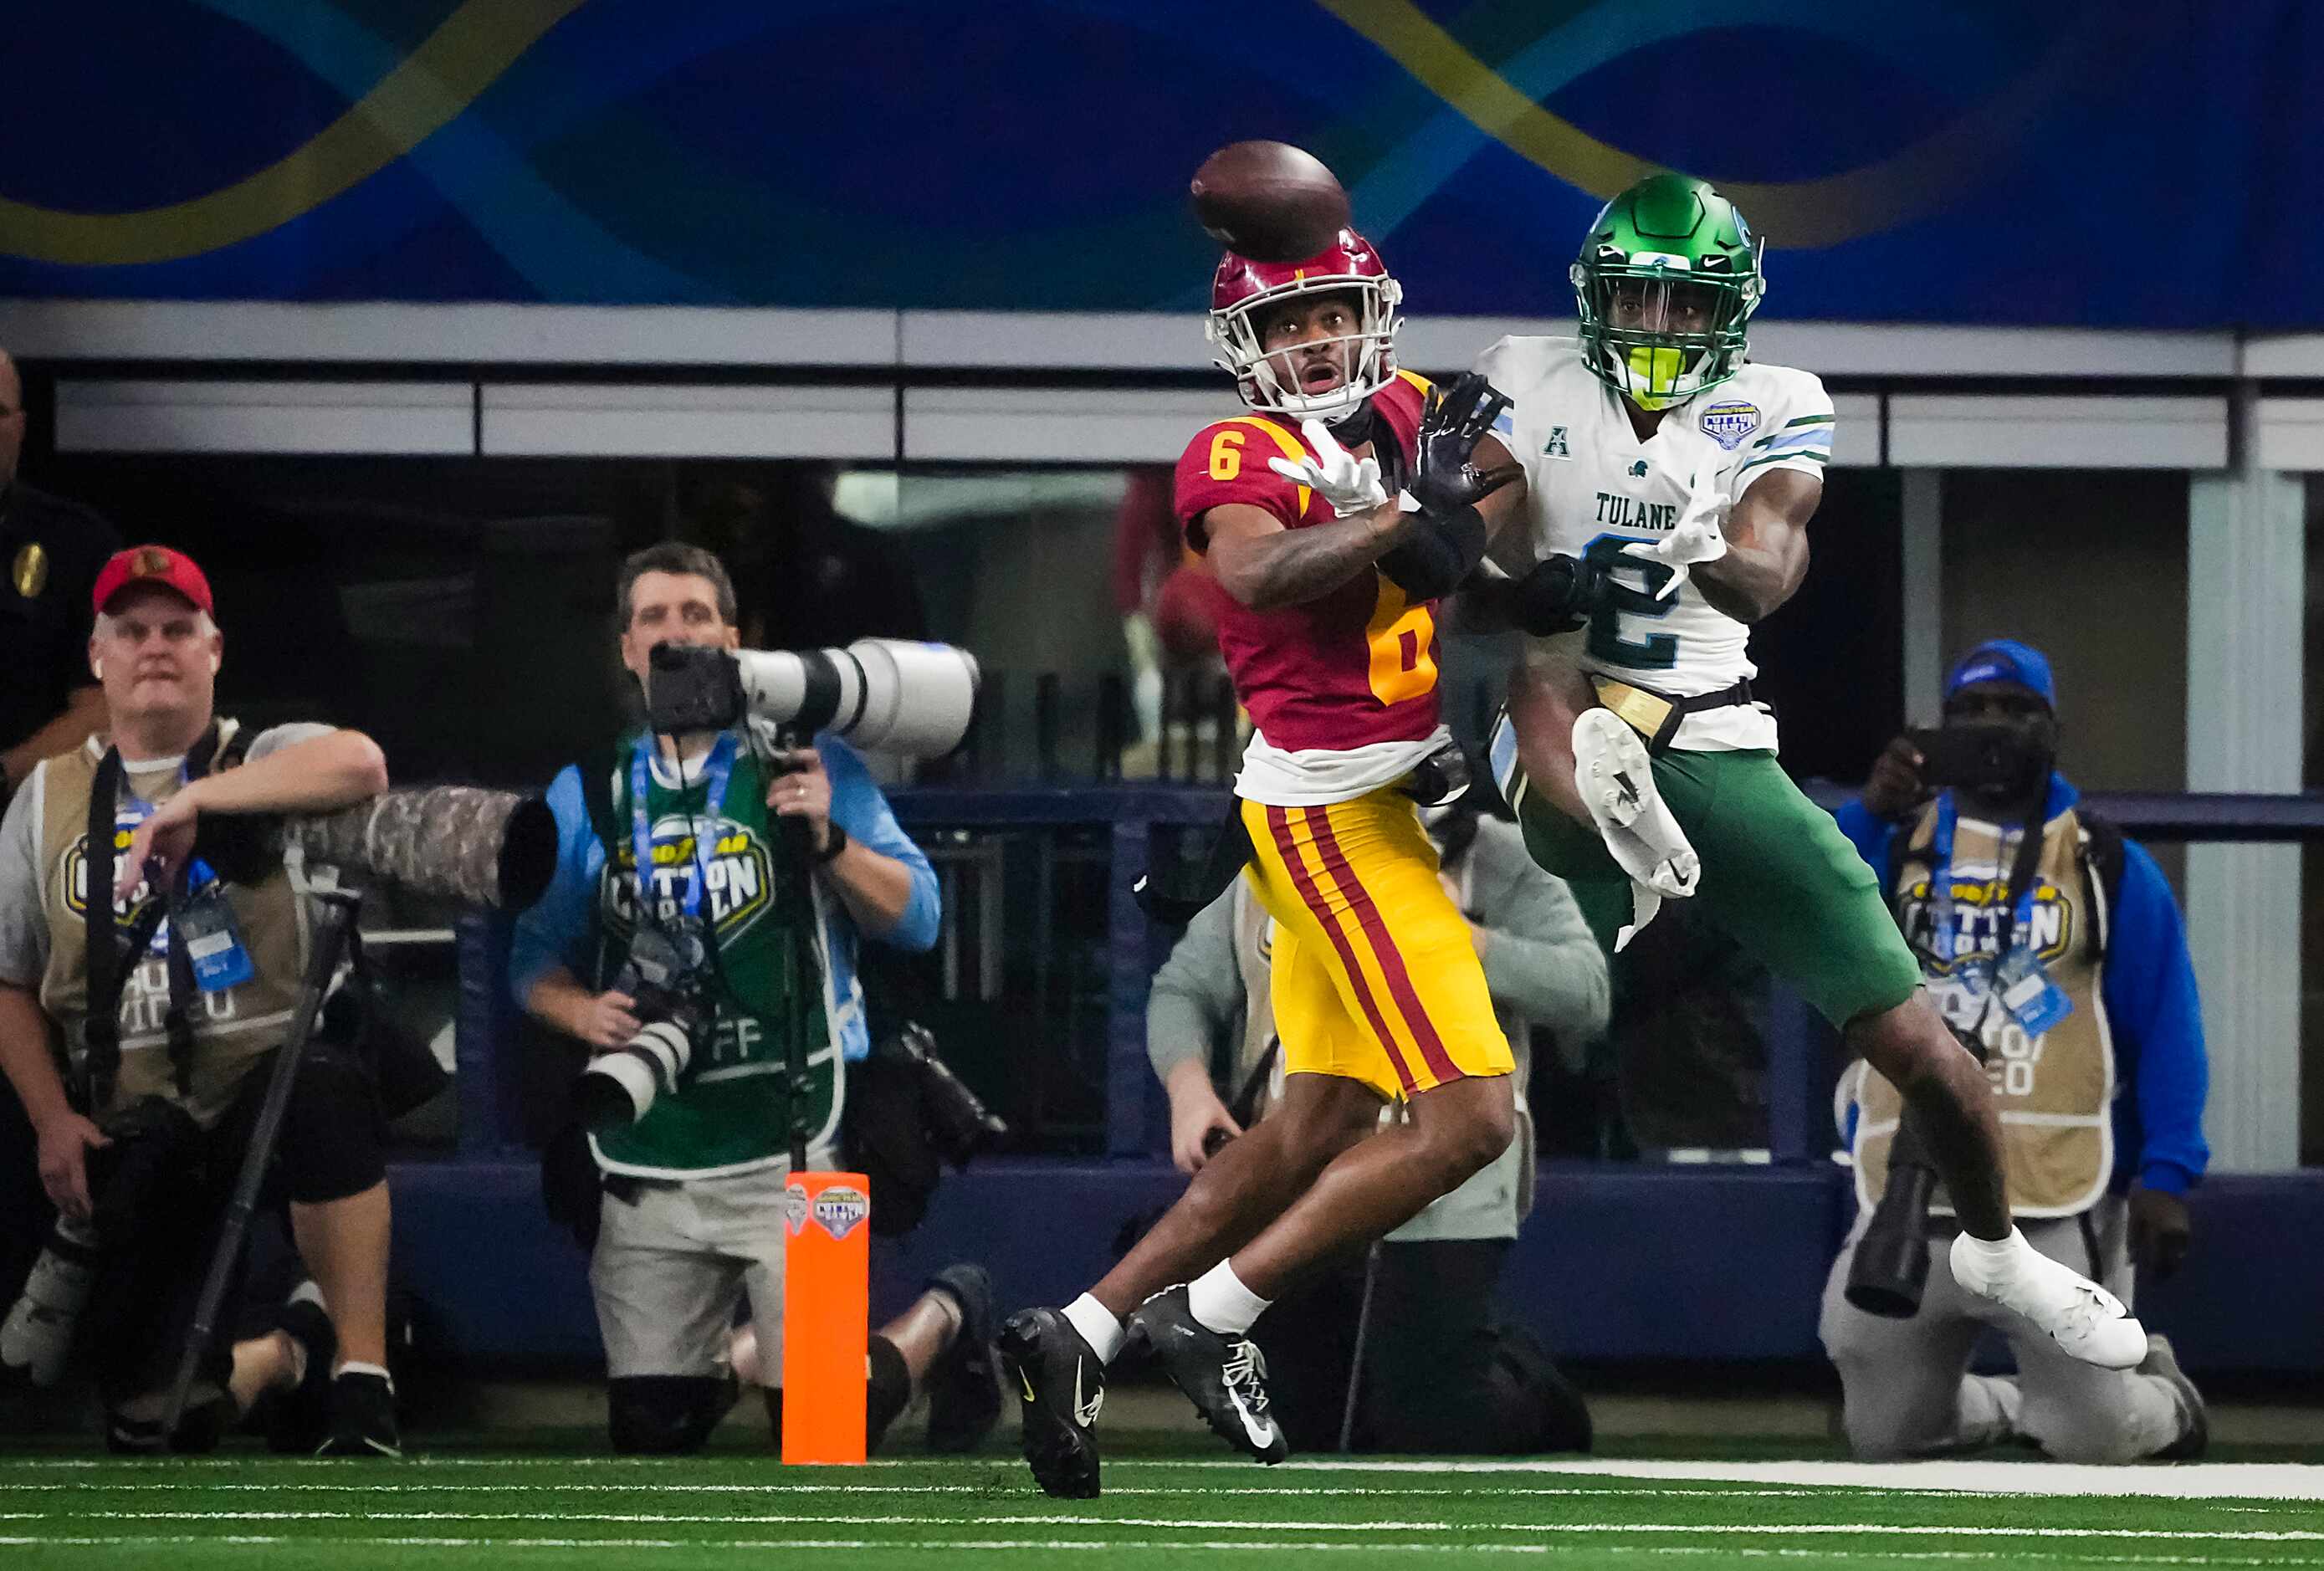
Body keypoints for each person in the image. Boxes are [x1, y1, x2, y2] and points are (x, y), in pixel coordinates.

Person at [1465, 172, 2147, 1374]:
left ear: (1728, 313)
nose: (1656, 329)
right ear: (1591, 299)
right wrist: (1505, 572)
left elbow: (1771, 560)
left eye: (1684, 308)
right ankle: (1608, 824)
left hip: (1712, 729)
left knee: (1925, 1046)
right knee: (1547, 669)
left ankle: (1997, 1250)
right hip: (1566, 700)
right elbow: (1471, 541)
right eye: (1633, 300)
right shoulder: (1527, 375)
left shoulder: (1774, 400)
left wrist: (1704, 551)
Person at [1001, 213, 1529, 1498]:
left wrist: (1472, 510)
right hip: (1330, 811)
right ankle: (1214, 1312)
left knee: (1321, 1118)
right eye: (1285, 322)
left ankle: (1082, 1331)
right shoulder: (1231, 448)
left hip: (1382, 798)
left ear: (1371, 308)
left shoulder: (1416, 409)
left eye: (1328, 312)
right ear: (1245, 346)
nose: (1313, 340)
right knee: (1471, 1120)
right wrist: (1404, 518)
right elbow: (1255, 571)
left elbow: (1493, 504)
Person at [509, 543, 996, 1455]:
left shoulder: (813, 761)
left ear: (734, 639)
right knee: (656, 1433)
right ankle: (758, 1353)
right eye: (653, 618)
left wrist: (830, 843)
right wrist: (583, 1014)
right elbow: (530, 960)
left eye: (695, 616)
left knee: (825, 1430)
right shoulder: (590, 792)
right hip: (652, 1149)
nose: (675, 635)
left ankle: (945, 1314)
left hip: (796, 1139)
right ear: (625, 648)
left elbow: (920, 917)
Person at [0, 544, 399, 1454]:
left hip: (263, 1092)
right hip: (138, 1128)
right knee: (157, 1425)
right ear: (97, 657)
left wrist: (201, 799)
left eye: (179, 629)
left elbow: (363, 763)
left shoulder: (263, 756)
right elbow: (8, 979)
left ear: (215, 650)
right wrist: (53, 1119)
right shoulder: (47, 796)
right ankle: (289, 1348)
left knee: (326, 1089)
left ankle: (365, 1381)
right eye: (131, 631)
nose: (156, 647)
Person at [1820, 639, 2209, 1462]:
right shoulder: (1894, 845)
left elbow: (2168, 1020)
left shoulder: (2105, 864)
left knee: (2096, 1440)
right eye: (1971, 714)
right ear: (1938, 732)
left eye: (2014, 712)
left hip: (2055, 1194)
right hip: (1911, 1190)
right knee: (1882, 1437)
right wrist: (1870, 813)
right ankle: (2010, 1403)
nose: (1992, 729)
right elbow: (1812, 909)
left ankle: (2163, 1400)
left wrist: (2168, 1172)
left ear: (2052, 731)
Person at [1149, 787, 1602, 1453]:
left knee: (1436, 1420)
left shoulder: (1494, 854)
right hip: (1307, 1164)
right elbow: (1184, 987)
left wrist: (1462, 938)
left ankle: (1527, 1381)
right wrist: (1190, 1092)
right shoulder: (1268, 848)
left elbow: (1586, 991)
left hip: (1451, 1179)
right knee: (1300, 1420)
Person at [0, 348, 118, 809]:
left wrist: (7, 772)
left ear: (20, 428)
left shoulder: (77, 543)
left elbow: (105, 706)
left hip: (31, 818)